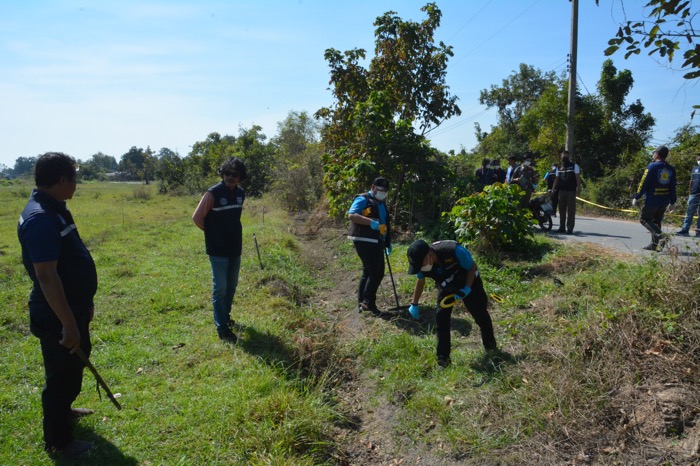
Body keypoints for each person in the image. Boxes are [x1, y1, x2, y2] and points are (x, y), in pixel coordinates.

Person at [17, 152, 98, 458]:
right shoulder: (40, 219)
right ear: (62, 180)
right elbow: (47, 277)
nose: (77, 185)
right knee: (61, 376)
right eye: (75, 178)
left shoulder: (56, 209)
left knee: (74, 365)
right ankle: (59, 442)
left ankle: (65, 409)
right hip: (56, 314)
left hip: (73, 308)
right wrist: (68, 323)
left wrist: (84, 304)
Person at [406, 239, 497, 367]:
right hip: (447, 286)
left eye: (419, 265)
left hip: (469, 280)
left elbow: (472, 267)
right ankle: (443, 360)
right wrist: (414, 304)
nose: (419, 269)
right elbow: (420, 282)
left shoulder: (453, 250)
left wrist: (467, 289)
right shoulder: (422, 265)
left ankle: (491, 349)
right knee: (441, 319)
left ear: (428, 255)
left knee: (480, 315)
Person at [192, 157, 248, 342]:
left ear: (240, 177)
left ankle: (226, 317)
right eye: (227, 173)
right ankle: (222, 328)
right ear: (222, 173)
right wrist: (212, 234)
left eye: (235, 174)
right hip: (217, 250)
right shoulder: (212, 194)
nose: (230, 177)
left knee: (231, 286)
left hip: (235, 247)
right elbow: (197, 218)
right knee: (220, 287)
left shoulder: (240, 193)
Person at [347, 177, 392, 313]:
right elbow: (352, 215)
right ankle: (368, 303)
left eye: (385, 191)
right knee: (375, 272)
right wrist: (370, 223)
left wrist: (387, 241)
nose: (382, 193)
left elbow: (384, 222)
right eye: (380, 190)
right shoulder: (363, 199)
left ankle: (363, 302)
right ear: (372, 187)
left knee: (371, 271)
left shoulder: (381, 203)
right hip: (364, 240)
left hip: (377, 240)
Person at [633, 145, 677, 251]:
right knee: (656, 222)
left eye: (654, 153)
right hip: (664, 201)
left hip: (652, 200)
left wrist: (637, 196)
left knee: (644, 219)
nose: (653, 155)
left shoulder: (652, 166)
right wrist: (673, 202)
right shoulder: (671, 169)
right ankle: (654, 245)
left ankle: (661, 236)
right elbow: (672, 186)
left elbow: (643, 183)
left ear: (657, 154)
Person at [551, 149, 581, 234]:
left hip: (571, 191)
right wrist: (553, 189)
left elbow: (577, 178)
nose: (564, 157)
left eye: (566, 155)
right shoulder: (559, 167)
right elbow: (556, 179)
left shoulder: (574, 166)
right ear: (561, 156)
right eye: (563, 156)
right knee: (561, 210)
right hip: (561, 192)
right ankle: (562, 227)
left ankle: (570, 228)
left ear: (568, 156)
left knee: (571, 210)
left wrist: (578, 190)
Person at [676, 153, 700, 237]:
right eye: (698, 159)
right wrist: (690, 191)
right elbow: (691, 180)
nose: (699, 160)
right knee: (689, 213)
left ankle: (698, 232)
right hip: (693, 194)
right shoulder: (695, 169)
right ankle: (685, 230)